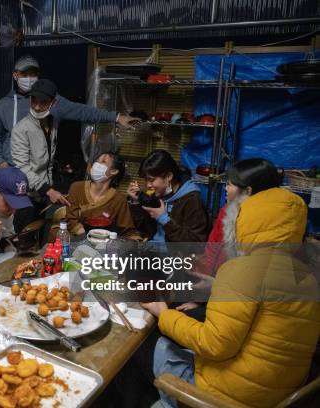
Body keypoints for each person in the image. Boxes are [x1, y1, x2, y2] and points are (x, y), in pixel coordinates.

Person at [141, 186, 319, 408]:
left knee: (142, 348)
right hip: (274, 395)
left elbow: (213, 344)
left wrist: (163, 314)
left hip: (222, 398)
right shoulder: (308, 277)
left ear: (249, 222)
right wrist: (217, 287)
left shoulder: (242, 269)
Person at [0, 55, 139, 169]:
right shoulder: (4, 105)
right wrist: (0, 162)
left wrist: (116, 117)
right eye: (24, 74)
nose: (29, 78)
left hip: (37, 171)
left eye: (33, 74)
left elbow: (82, 111)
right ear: (15, 75)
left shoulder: (52, 101)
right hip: (10, 169)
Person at [11, 79, 70, 232]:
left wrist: (49, 187)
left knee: (40, 233)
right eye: (33, 101)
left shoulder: (54, 123)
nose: (37, 107)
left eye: (43, 103)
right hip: (25, 196)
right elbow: (22, 167)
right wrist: (48, 190)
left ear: (53, 102)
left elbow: (48, 162)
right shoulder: (21, 129)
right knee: (23, 236)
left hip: (43, 195)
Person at [127, 149, 209, 243]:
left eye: (151, 180)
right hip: (152, 248)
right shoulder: (158, 193)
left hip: (174, 256)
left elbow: (194, 243)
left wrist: (163, 218)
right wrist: (137, 202)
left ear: (169, 176)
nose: (148, 185)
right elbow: (143, 229)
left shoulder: (192, 199)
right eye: (146, 180)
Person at [65, 150, 141, 240]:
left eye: (103, 161)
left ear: (114, 171)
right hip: (78, 240)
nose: (96, 164)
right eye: (97, 161)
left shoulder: (119, 199)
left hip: (104, 243)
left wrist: (137, 241)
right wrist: (87, 240)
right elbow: (71, 220)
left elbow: (128, 230)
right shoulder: (77, 187)